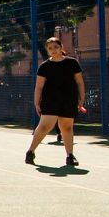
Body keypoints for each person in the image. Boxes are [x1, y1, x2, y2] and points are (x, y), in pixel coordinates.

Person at [25, 36, 85, 167]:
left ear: (61, 47)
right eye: (50, 48)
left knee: (67, 128)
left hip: (69, 99)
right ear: (47, 50)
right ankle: (30, 151)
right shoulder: (44, 66)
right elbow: (39, 86)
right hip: (50, 100)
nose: (53, 50)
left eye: (56, 47)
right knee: (45, 126)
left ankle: (70, 156)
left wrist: (81, 98)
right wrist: (36, 103)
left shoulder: (72, 63)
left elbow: (79, 82)